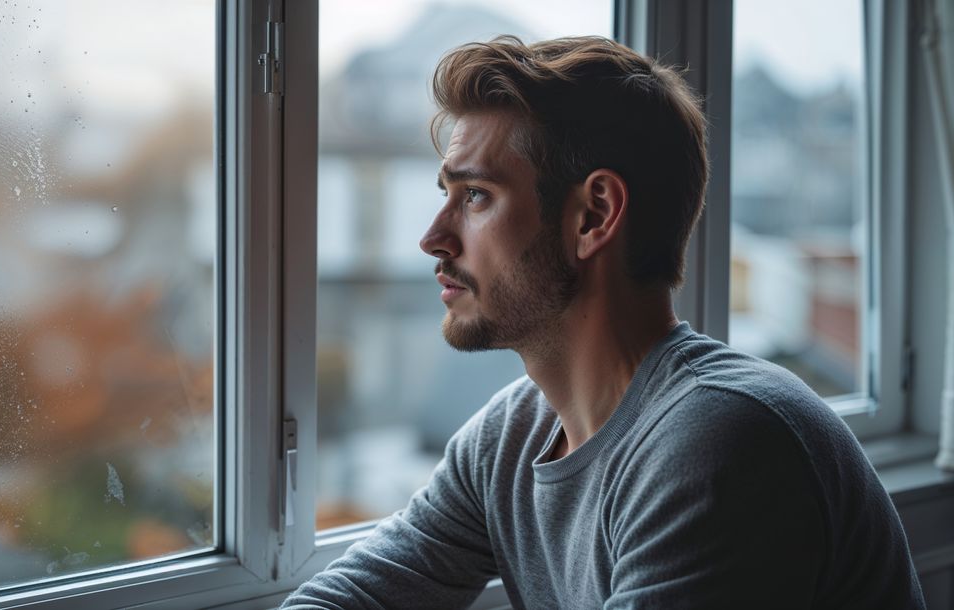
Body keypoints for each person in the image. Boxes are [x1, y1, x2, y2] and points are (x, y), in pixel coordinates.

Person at [282, 36, 924, 609]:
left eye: (475, 196)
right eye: (445, 194)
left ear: (593, 216)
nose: (433, 238)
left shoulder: (719, 446)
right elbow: (357, 594)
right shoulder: (508, 439)